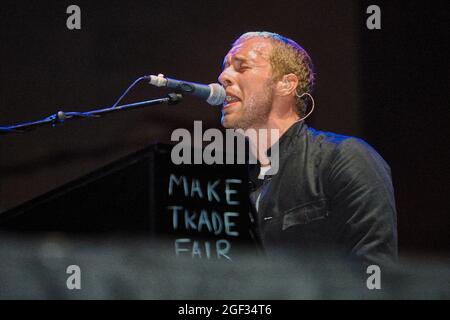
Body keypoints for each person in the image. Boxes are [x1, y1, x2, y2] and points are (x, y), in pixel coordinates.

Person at [218, 31, 398, 267]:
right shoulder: (228, 181)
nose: (223, 76)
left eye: (241, 67)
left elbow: (375, 268)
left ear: (286, 84)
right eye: (225, 67)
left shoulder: (343, 157)